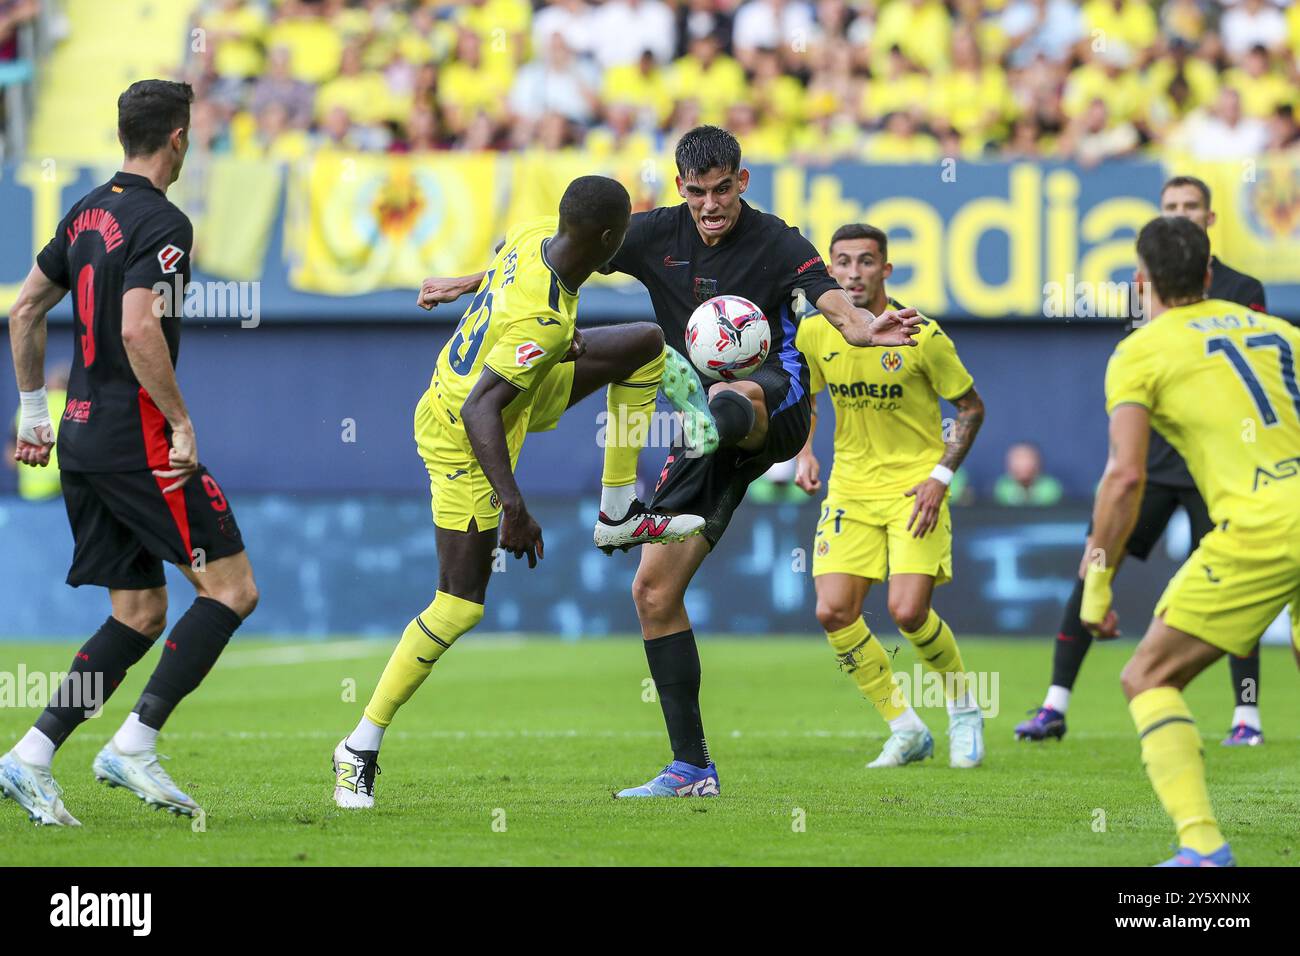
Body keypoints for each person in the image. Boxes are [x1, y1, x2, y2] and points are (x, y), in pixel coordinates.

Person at [331, 176, 707, 808]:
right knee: (459, 605)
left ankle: (619, 506)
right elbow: (483, 409)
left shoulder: (537, 234)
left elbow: (509, 254)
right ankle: (358, 747)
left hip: (514, 387)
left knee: (645, 345)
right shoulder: (545, 319)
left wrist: (464, 282)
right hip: (465, 436)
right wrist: (516, 508)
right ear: (610, 241)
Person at [595, 125, 923, 798]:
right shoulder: (653, 234)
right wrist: (483, 282)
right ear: (679, 188)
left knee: (726, 399)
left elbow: (834, 301)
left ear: (742, 182)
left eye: (723, 190)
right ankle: (691, 768)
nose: (711, 206)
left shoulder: (777, 241)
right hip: (702, 427)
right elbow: (564, 251)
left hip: (773, 406)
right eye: (698, 193)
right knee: (652, 594)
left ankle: (651, 489)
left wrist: (863, 328)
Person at [1, 80, 258, 826]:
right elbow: (139, 329)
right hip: (139, 440)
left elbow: (24, 309)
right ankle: (134, 745)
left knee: (142, 612)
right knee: (232, 590)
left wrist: (31, 413)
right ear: (178, 138)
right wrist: (180, 421)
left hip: (81, 437)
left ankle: (30, 756)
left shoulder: (84, 211)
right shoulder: (164, 221)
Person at [1017, 175, 1272, 746]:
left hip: (1214, 467)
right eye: (1171, 207)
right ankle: (1054, 704)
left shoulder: (1243, 286)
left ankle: (1247, 715)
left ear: (1210, 219)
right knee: (1094, 561)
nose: (1181, 214)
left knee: (1239, 585)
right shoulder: (1143, 296)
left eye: (1191, 207)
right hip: (1156, 460)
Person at [1082, 215, 1299, 866]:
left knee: (1148, 676)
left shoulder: (1140, 352)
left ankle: (1203, 847)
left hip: (1265, 527)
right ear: (1209, 275)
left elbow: (1125, 477)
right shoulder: (1280, 332)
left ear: (1139, 282)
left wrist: (1097, 579)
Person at [794, 223, 987, 768]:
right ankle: (905, 727)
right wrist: (804, 452)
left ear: (886, 269)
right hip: (850, 490)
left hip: (913, 489)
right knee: (833, 611)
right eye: (844, 263)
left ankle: (965, 710)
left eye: (866, 262)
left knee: (907, 612)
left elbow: (970, 408)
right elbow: (808, 397)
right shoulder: (815, 332)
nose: (854, 273)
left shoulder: (922, 334)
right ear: (830, 269)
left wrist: (940, 477)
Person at [6, 366, 67, 501]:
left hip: (29, 492)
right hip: (64, 494)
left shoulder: (27, 408)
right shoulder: (72, 407)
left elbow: (10, 456)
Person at [993, 441, 1063, 506]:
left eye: (1027, 458)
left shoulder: (1050, 487)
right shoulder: (1002, 486)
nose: (1023, 463)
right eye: (1018, 458)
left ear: (1038, 462)